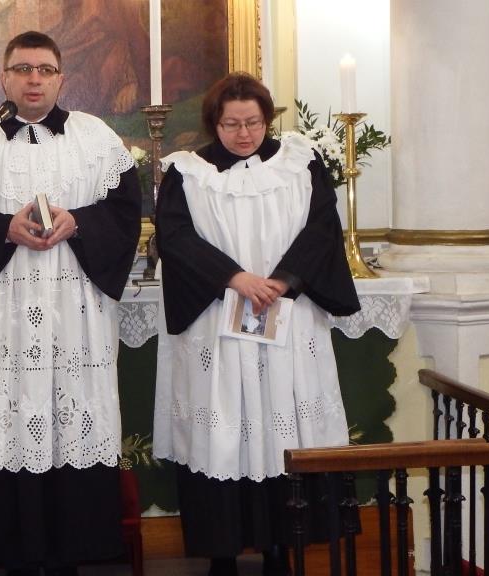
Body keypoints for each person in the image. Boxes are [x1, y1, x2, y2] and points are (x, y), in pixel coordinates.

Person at [0, 31, 142, 575]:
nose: (34, 79)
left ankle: (72, 554)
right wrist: (3, 229)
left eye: (45, 70)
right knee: (4, 416)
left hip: (75, 316)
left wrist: (79, 221)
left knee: (73, 419)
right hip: (0, 318)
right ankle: (11, 556)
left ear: (61, 79)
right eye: (23, 69)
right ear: (4, 78)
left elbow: (124, 213)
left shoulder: (96, 138)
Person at [152, 72, 361, 576]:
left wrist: (283, 281)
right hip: (218, 322)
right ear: (214, 123)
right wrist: (236, 278)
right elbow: (175, 237)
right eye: (232, 124)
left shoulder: (300, 164)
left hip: (287, 321)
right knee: (223, 432)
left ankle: (280, 550)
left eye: (253, 122)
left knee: (283, 428)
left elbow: (321, 228)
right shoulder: (188, 172)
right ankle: (222, 554)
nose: (244, 134)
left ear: (267, 120)